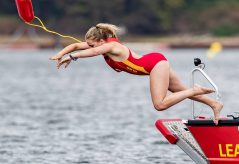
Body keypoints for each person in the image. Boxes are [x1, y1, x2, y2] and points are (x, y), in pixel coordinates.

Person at [50, 23, 223, 124]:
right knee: (178, 91)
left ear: (101, 41)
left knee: (160, 104)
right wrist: (60, 54)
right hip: (156, 63)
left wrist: (72, 57)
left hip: (155, 65)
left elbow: (92, 52)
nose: (89, 47)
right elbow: (75, 46)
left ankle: (194, 90)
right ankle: (214, 105)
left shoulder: (112, 46)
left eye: (92, 44)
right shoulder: (100, 45)